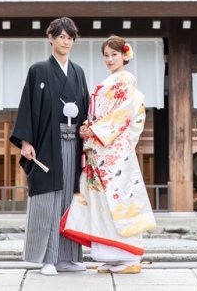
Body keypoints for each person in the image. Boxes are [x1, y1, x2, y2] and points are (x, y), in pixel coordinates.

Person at [61, 35, 156, 274]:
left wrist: (93, 129)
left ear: (125, 56)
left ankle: (130, 257)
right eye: (106, 55)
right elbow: (98, 114)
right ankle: (113, 257)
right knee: (101, 203)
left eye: (114, 54)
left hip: (113, 152)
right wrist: (86, 125)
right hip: (99, 149)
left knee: (119, 201)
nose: (110, 59)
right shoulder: (108, 83)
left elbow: (122, 115)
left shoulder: (125, 83)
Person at [9, 17, 90, 276]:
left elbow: (86, 108)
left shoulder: (78, 72)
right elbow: (29, 107)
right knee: (48, 199)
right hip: (47, 144)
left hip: (73, 143)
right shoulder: (39, 70)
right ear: (51, 38)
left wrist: (88, 133)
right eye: (61, 37)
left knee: (70, 198)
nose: (66, 42)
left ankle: (66, 256)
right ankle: (46, 258)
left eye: (70, 38)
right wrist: (26, 141)